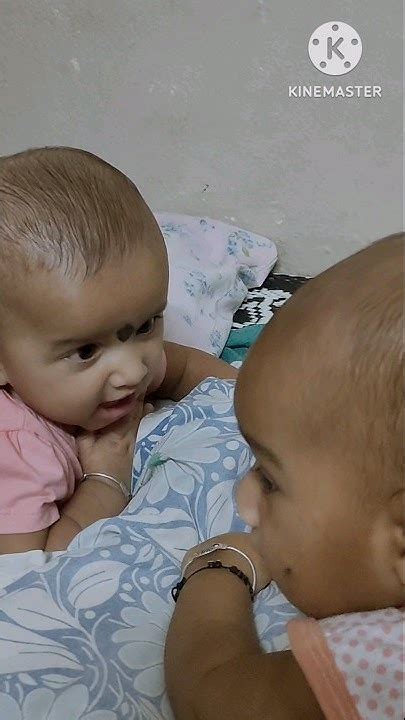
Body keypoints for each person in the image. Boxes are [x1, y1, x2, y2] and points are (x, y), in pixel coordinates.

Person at [165, 233, 404, 720]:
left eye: (270, 480)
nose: (245, 499)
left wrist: (219, 571)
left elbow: (213, 696)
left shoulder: (385, 662)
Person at [0, 146, 236, 554]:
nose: (133, 372)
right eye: (86, 352)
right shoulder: (16, 453)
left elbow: (184, 369)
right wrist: (107, 479)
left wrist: (259, 398)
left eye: (146, 325)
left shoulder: (122, 354)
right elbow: (31, 569)